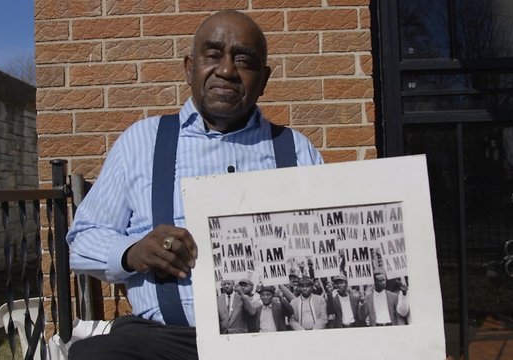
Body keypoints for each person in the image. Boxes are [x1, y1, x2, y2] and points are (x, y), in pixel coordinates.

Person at [65, 10, 323, 360]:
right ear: (189, 68)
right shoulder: (143, 142)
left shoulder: (296, 150)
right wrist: (133, 251)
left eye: (243, 60)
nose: (227, 70)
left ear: (263, 80)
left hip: (275, 338)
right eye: (213, 55)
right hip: (167, 338)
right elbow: (82, 242)